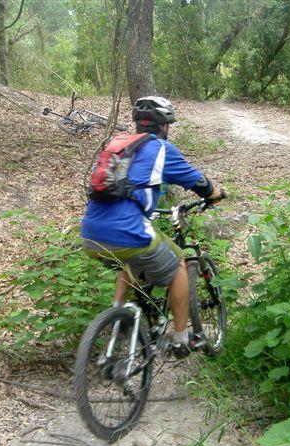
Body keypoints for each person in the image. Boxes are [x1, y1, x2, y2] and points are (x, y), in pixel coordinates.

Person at [81, 96, 225, 357]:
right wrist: (215, 194)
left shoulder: (118, 147)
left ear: (138, 124)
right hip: (126, 230)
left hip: (91, 233)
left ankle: (118, 317)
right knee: (179, 261)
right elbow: (198, 182)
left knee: (128, 261)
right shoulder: (162, 149)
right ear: (165, 126)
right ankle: (181, 339)